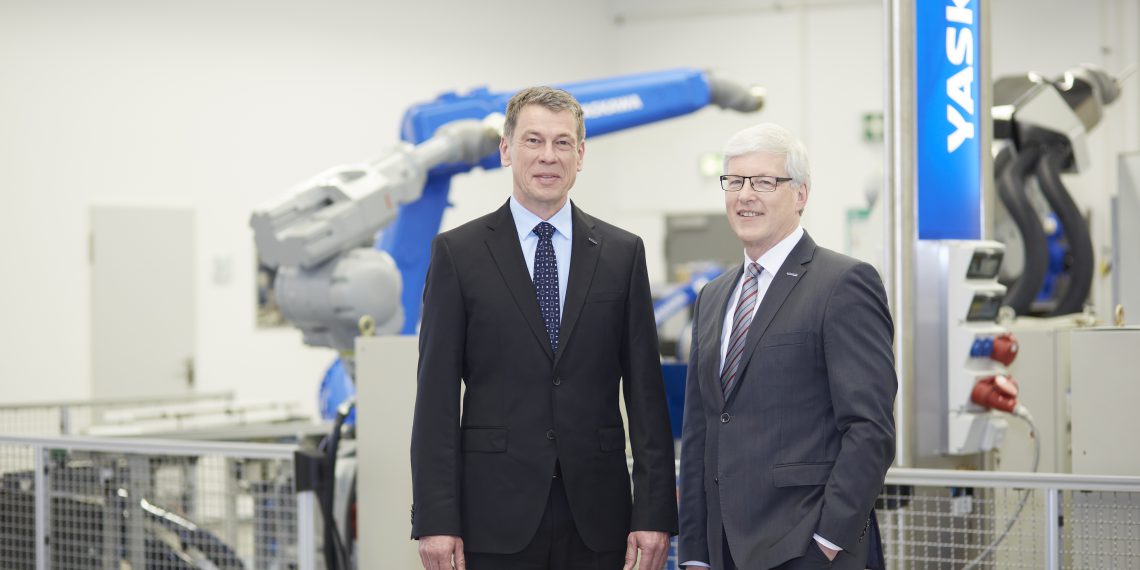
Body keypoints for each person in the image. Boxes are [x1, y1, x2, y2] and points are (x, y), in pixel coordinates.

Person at [410, 86, 678, 570]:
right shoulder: (458, 254)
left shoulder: (622, 254)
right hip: (493, 517)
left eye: (562, 143)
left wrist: (655, 511)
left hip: (599, 518)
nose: (547, 157)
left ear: (580, 155)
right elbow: (435, 399)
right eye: (533, 141)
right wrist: (435, 518)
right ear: (506, 150)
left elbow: (646, 394)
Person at [677, 123, 896, 570]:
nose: (745, 195)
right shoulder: (714, 296)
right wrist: (696, 553)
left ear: (800, 195)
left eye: (764, 182)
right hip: (724, 552)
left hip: (809, 549)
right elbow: (701, 431)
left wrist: (828, 541)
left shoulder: (843, 284)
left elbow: (870, 429)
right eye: (734, 181)